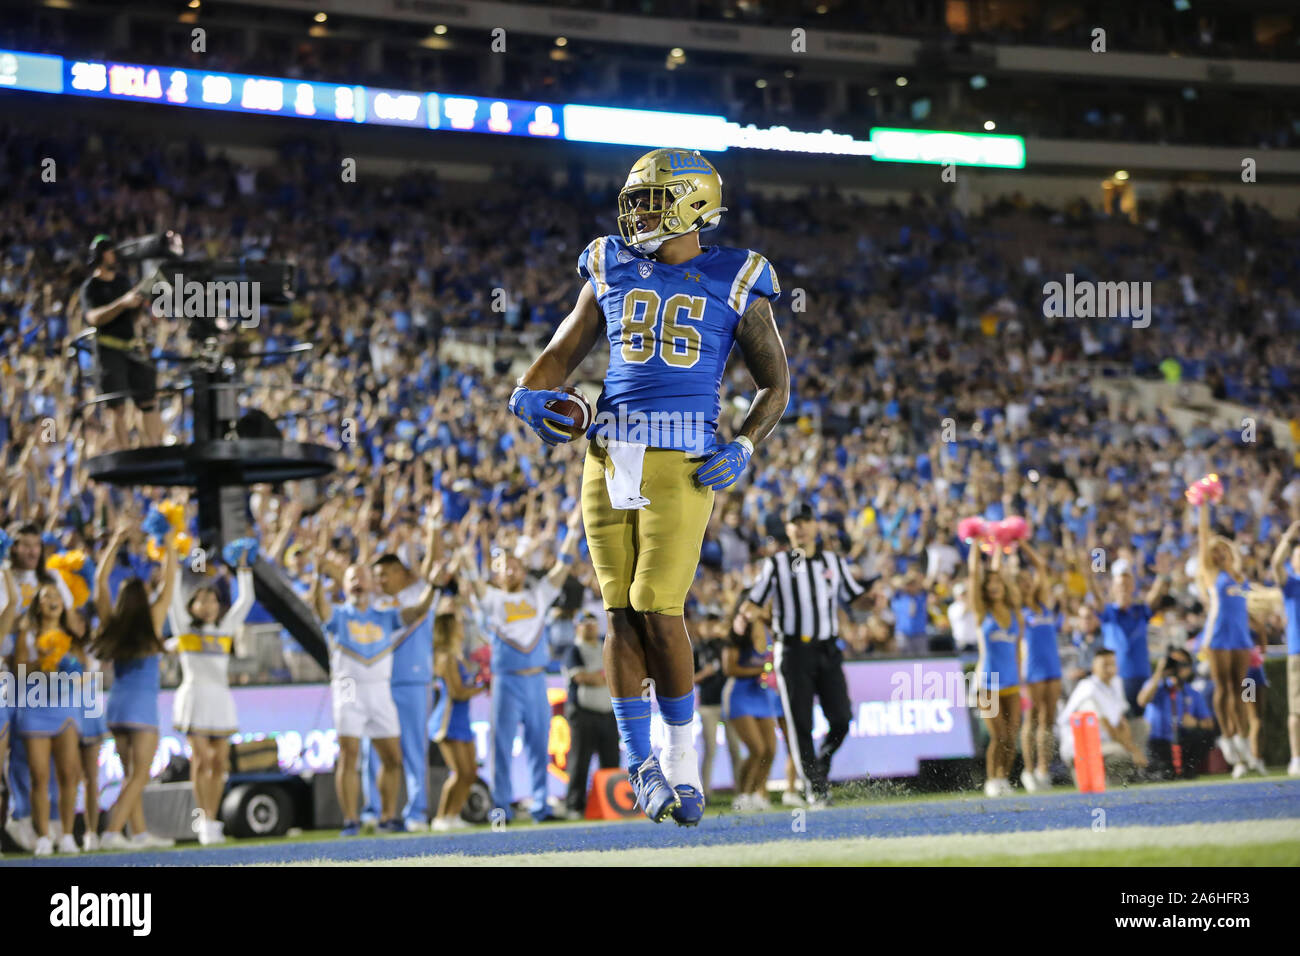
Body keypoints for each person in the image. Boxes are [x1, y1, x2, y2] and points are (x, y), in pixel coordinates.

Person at [507, 147, 790, 825]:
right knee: (618, 611)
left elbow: (775, 384)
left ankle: (683, 762)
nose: (638, 214)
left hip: (685, 458)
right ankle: (643, 767)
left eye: (653, 200)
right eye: (635, 201)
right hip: (608, 452)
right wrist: (526, 393)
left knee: (658, 607)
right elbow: (565, 350)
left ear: (695, 204)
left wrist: (747, 442)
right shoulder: (606, 262)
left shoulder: (736, 276)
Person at [457, 507, 583, 824]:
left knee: (539, 745)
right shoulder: (492, 600)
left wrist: (572, 532)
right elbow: (474, 581)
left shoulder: (538, 595)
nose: (510, 570)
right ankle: (501, 809)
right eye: (503, 567)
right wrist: (466, 549)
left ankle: (541, 805)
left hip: (536, 680)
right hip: (506, 681)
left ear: (523, 567)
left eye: (514, 565)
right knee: (501, 748)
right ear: (497, 573)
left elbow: (563, 569)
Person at [743, 502, 869, 807]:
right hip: (793, 651)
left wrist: (873, 600)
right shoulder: (776, 564)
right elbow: (752, 602)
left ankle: (820, 766)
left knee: (841, 718)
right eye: (794, 522)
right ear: (787, 529)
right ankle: (814, 788)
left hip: (828, 648)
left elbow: (856, 599)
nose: (800, 527)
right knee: (800, 724)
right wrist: (754, 618)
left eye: (805, 521)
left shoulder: (833, 562)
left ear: (815, 526)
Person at [311, 556, 439, 837]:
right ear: (344, 586)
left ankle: (388, 817)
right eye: (351, 578)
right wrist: (318, 578)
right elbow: (318, 606)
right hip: (348, 687)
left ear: (372, 583)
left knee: (392, 757)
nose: (358, 582)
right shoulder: (339, 615)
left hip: (380, 687)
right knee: (349, 755)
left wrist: (434, 585)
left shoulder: (385, 615)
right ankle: (351, 819)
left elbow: (417, 611)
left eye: (362, 576)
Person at [92, 518, 177, 850]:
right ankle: (112, 832)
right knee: (140, 774)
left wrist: (115, 541)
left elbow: (100, 581)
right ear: (143, 599)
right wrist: (168, 544)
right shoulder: (153, 619)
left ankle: (138, 834)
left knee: (131, 775)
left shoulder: (112, 623)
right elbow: (169, 581)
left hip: (115, 707)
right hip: (142, 709)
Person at [362, 509, 445, 831]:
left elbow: (434, 566)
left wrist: (434, 525)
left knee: (413, 747)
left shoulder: (421, 594)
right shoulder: (371, 606)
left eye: (386, 574)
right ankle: (374, 810)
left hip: (413, 682)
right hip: (378, 683)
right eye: (377, 576)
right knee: (375, 749)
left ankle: (416, 812)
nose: (381, 581)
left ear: (401, 573)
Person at [166, 550, 255, 845]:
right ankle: (203, 819)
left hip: (220, 699)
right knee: (202, 759)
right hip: (195, 697)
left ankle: (213, 820)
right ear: (192, 604)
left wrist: (243, 569)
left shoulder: (225, 631)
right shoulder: (184, 630)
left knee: (219, 763)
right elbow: (172, 602)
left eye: (213, 600)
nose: (208, 606)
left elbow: (245, 603)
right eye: (201, 600)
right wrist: (174, 564)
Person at [4, 523, 81, 851]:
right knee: (21, 762)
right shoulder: (6, 582)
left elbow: (76, 628)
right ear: (13, 547)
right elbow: (19, 665)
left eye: (37, 545)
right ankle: (22, 820)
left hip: (56, 696)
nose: (33, 551)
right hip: (14, 685)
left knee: (64, 770)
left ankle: (59, 831)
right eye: (25, 545)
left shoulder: (53, 579)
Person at [12, 580, 87, 855]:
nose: (52, 600)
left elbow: (83, 672)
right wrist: (41, 662)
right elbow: (18, 671)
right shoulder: (27, 634)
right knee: (39, 775)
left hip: (65, 707)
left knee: (69, 773)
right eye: (46, 597)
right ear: (38, 604)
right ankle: (43, 835)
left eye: (56, 596)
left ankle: (67, 834)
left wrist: (68, 665)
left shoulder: (71, 634)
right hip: (35, 706)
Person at [80, 234, 162, 450]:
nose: (114, 255)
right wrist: (122, 303)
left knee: (148, 400)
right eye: (109, 250)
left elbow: (131, 313)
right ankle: (124, 452)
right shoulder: (91, 287)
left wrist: (139, 305)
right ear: (99, 255)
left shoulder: (123, 281)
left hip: (131, 346)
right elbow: (93, 318)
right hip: (108, 349)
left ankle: (154, 448)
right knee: (116, 405)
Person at [1192, 496, 1254, 775]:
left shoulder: (1240, 577)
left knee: (1240, 690)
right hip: (1218, 636)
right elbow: (1203, 540)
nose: (1217, 555)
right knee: (1223, 688)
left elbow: (1249, 603)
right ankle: (1228, 739)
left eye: (1222, 551)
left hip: (1240, 637)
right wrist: (1203, 507)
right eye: (1214, 552)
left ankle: (1243, 740)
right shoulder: (1211, 574)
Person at [969, 540, 1023, 797]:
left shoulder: (1015, 613)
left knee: (1012, 737)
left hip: (1012, 682)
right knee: (998, 735)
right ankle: (991, 780)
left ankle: (1004, 779)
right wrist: (976, 545)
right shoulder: (982, 612)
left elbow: (1019, 652)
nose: (994, 586)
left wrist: (1000, 547)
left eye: (997, 582)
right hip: (986, 684)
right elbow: (973, 576)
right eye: (989, 584)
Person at [430, 594, 486, 831]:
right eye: (458, 625)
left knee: (470, 773)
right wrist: (481, 687)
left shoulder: (458, 657)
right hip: (448, 720)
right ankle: (440, 817)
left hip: (462, 720)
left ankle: (453, 815)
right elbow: (457, 692)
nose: (462, 628)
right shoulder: (445, 658)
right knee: (459, 772)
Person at [1056, 649, 1147, 785]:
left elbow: (1121, 721)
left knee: (1140, 726)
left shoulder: (1115, 683)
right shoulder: (1087, 689)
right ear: (1093, 666)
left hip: (1105, 741)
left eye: (1113, 664)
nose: (1110, 669)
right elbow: (1106, 725)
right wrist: (1132, 750)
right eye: (1105, 665)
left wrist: (1132, 746)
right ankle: (1108, 781)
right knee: (1121, 752)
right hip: (1081, 748)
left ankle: (1126, 776)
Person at [721, 601, 778, 811]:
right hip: (739, 694)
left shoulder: (771, 630)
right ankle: (742, 795)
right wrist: (762, 670)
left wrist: (769, 672)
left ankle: (756, 793)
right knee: (756, 748)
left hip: (761, 693)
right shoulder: (737, 634)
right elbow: (729, 668)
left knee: (770, 750)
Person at [562, 609, 620, 819]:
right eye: (584, 622)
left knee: (611, 760)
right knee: (580, 762)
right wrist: (606, 676)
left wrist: (600, 676)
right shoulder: (573, 650)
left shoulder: (605, 645)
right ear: (577, 627)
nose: (589, 626)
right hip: (583, 713)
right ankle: (574, 806)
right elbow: (581, 677)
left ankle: (613, 803)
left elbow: (619, 669)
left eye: (592, 622)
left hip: (608, 712)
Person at [1018, 541, 1062, 793]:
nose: (1027, 583)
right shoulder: (1018, 610)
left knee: (1048, 719)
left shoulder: (1044, 604)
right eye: (1021, 581)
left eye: (1028, 580)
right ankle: (1028, 768)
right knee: (1031, 720)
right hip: (1032, 671)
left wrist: (1024, 544)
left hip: (1052, 667)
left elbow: (1042, 568)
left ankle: (1043, 769)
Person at [1137, 648, 1214, 779]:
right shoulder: (1157, 685)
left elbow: (1210, 724)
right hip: (1155, 741)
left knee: (1204, 735)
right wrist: (1159, 672)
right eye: (1174, 663)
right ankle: (1161, 771)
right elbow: (1142, 701)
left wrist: (1195, 722)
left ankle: (1187, 769)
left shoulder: (1192, 693)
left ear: (1189, 668)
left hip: (1181, 740)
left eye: (1182, 664)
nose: (1178, 668)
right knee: (1162, 774)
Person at [1270, 519, 1300, 776]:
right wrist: (1288, 538)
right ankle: (1296, 758)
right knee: (1296, 709)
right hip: (1297, 653)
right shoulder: (1291, 584)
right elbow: (1275, 564)